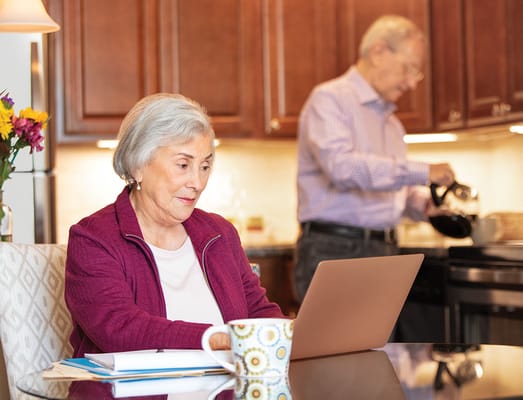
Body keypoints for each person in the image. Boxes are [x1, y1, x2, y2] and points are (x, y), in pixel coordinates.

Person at [64, 93, 283, 357]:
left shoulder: (220, 233)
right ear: (138, 165)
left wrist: (291, 331)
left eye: (205, 167)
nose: (198, 183)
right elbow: (118, 328)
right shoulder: (93, 238)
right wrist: (217, 338)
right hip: (131, 395)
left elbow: (259, 312)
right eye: (183, 165)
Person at [294, 15, 456, 301]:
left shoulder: (393, 125)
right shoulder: (329, 99)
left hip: (385, 249)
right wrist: (423, 171)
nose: (411, 83)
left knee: (379, 346)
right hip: (336, 248)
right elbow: (341, 168)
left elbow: (392, 190)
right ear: (378, 52)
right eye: (409, 69)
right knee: (333, 345)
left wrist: (422, 206)